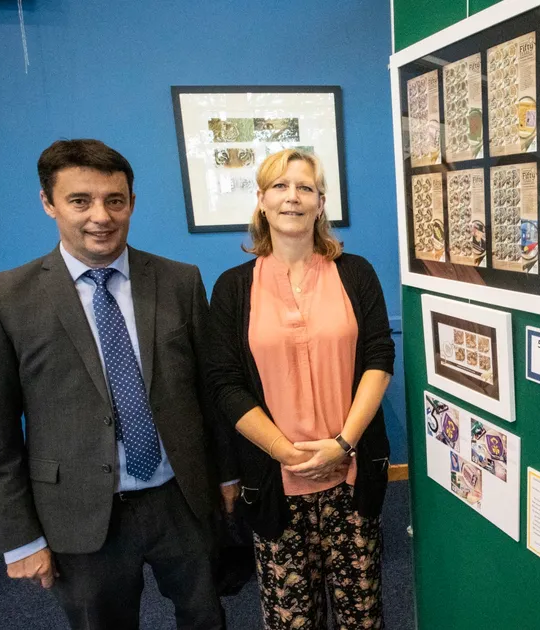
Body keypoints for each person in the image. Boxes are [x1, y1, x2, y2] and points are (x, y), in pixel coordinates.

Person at [0, 139, 238, 629]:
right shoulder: (3, 299)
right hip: (78, 513)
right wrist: (20, 538)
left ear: (131, 202)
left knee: (206, 616)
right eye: (79, 200)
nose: (101, 216)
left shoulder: (180, 280)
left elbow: (207, 393)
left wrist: (227, 475)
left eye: (115, 200)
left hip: (180, 497)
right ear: (48, 203)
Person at [205, 149, 395, 629]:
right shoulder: (232, 287)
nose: (293, 197)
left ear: (320, 202)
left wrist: (342, 444)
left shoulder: (356, 273)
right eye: (280, 186)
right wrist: (287, 454)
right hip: (275, 481)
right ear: (262, 200)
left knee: (361, 616)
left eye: (304, 187)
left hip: (350, 473)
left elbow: (379, 358)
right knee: (291, 619)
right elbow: (225, 384)